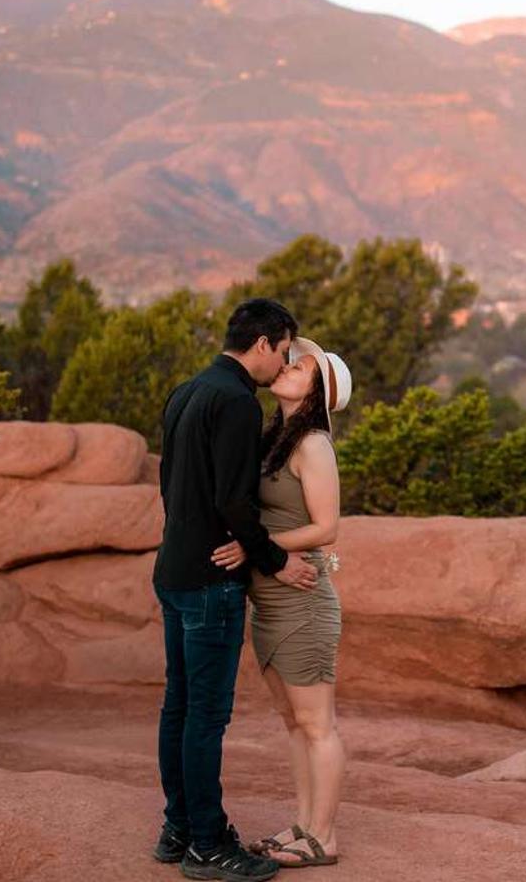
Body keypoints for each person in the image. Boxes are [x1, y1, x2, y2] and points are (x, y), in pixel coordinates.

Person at [150, 298, 321, 882]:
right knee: (204, 717)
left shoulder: (187, 390)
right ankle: (205, 844)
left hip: (173, 572)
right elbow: (233, 502)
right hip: (209, 584)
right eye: (285, 351)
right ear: (265, 344)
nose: (284, 364)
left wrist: (189, 538)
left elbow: (171, 485)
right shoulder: (237, 404)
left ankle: (178, 828)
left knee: (178, 707)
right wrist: (273, 559)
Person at [213, 338, 352, 869]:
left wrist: (257, 547)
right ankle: (302, 826)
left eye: (301, 367)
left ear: (318, 392)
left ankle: (324, 837)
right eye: (291, 360)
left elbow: (326, 528)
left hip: (303, 604)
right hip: (271, 601)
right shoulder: (276, 439)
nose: (288, 367)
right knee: (293, 723)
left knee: (318, 724)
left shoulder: (312, 444)